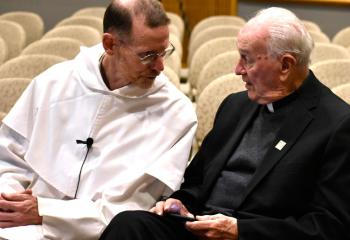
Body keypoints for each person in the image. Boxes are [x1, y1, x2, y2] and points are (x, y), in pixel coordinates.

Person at [99, 7, 350, 240]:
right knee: (129, 225)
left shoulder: (337, 123)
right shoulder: (236, 105)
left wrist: (240, 230)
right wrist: (178, 203)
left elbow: (329, 226)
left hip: (255, 235)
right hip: (201, 227)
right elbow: (196, 184)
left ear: (285, 65)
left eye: (247, 59)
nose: (237, 69)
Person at [0, 0, 197, 239]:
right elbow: (9, 159)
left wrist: (46, 212)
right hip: (19, 226)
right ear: (110, 44)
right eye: (147, 55)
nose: (160, 66)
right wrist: (8, 201)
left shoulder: (176, 113)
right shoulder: (54, 83)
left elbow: (130, 208)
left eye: (164, 51)